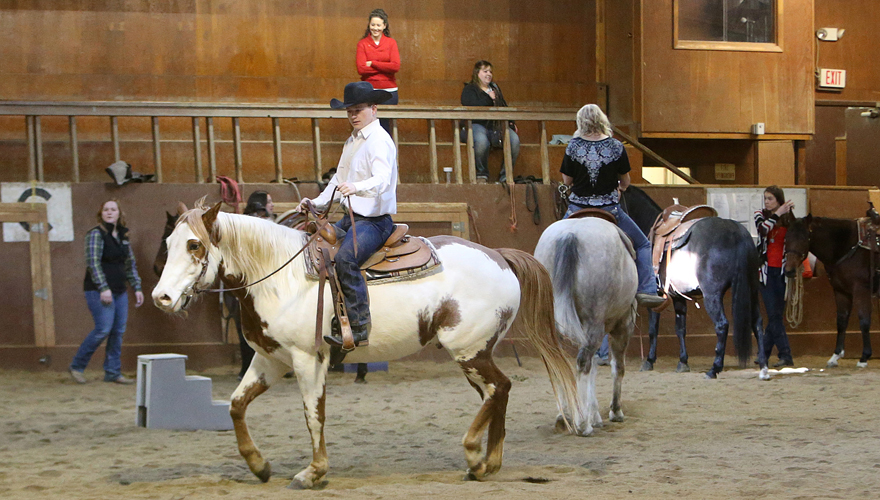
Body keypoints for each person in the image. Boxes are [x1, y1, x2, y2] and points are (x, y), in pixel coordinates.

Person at [297, 81, 397, 350]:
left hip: (375, 222)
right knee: (317, 248)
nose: (353, 115)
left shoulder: (380, 141)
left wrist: (356, 187)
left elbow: (382, 180)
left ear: (374, 109)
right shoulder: (352, 141)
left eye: (359, 109)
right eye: (350, 110)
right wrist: (314, 202)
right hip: (351, 218)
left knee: (345, 258)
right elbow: (337, 181)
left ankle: (359, 326)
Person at [560, 104, 664, 311]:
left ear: (581, 122)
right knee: (643, 245)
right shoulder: (616, 147)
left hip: (576, 209)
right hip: (609, 210)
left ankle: (549, 289)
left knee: (553, 241)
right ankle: (648, 290)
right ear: (602, 120)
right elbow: (625, 182)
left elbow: (567, 180)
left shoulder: (573, 146)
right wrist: (618, 189)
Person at [69, 199, 144, 384]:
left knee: (118, 331)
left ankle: (112, 372)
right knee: (103, 329)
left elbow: (130, 264)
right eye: (106, 210)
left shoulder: (123, 236)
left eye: (113, 209)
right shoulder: (96, 234)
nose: (109, 212)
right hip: (98, 290)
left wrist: (137, 287)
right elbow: (93, 263)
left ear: (119, 213)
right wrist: (103, 288)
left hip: (120, 290)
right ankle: (77, 366)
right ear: (101, 214)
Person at [460, 60, 520, 183]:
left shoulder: (495, 89)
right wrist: (489, 98)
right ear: (477, 73)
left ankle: (506, 175)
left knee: (514, 140)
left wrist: (511, 122)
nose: (489, 74)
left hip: (495, 126)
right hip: (476, 125)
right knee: (482, 142)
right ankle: (482, 174)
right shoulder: (470, 89)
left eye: (490, 72)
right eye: (485, 71)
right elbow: (471, 105)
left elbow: (503, 106)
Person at [755, 186, 795, 367]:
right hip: (765, 272)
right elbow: (763, 230)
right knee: (774, 314)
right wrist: (778, 213)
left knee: (776, 315)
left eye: (770, 198)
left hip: (782, 272)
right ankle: (785, 354)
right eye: (765, 198)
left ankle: (763, 353)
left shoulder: (789, 220)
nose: (766, 202)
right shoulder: (760, 215)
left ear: (779, 200)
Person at [356, 8, 400, 135]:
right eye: (373, 25)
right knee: (368, 128)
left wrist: (373, 63)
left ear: (384, 26)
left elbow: (395, 67)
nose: (375, 28)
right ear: (369, 25)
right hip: (369, 92)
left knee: (386, 129)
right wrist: (385, 67)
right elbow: (361, 69)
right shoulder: (363, 44)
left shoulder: (391, 43)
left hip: (389, 92)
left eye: (379, 25)